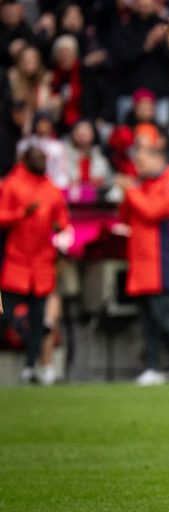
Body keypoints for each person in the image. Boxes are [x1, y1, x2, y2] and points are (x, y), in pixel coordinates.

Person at [117, 141, 169, 386]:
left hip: (163, 262)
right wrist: (130, 193)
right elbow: (126, 217)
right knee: (148, 318)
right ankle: (153, 367)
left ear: (158, 158)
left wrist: (130, 191)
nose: (137, 166)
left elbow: (152, 211)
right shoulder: (143, 185)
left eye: (141, 161)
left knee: (164, 314)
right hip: (141, 264)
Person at [0, 146, 69, 383]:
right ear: (26, 160)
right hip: (16, 262)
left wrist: (60, 227)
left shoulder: (51, 189)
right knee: (4, 315)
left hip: (41, 264)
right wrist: (21, 213)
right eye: (37, 158)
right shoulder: (12, 184)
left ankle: (30, 367)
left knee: (39, 319)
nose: (41, 162)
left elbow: (62, 219)